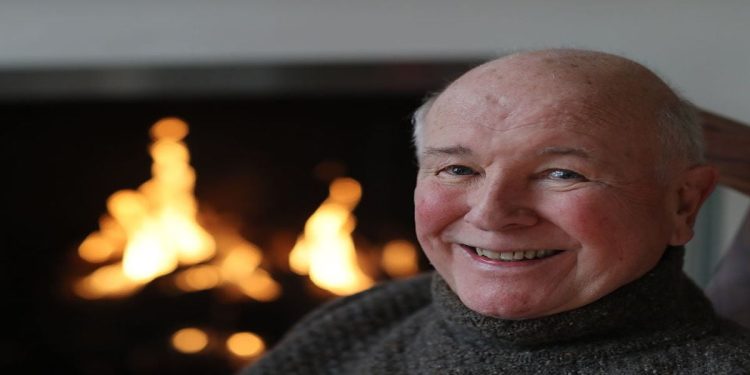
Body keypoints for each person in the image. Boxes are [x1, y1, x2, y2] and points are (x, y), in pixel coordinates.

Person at [240, 49, 750, 374]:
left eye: (561, 174)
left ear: (683, 203)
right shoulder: (362, 320)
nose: (491, 214)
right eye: (458, 169)